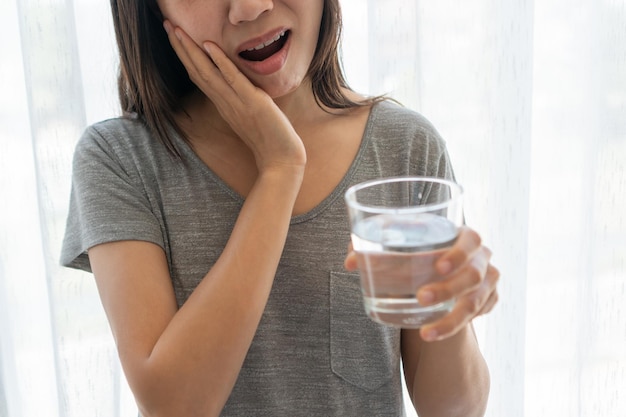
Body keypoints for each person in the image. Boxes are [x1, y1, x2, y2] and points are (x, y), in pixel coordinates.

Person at [60, 0, 500, 416]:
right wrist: (279, 169)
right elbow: (173, 406)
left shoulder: (403, 148)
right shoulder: (120, 158)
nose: (251, 7)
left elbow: (452, 410)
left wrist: (451, 309)